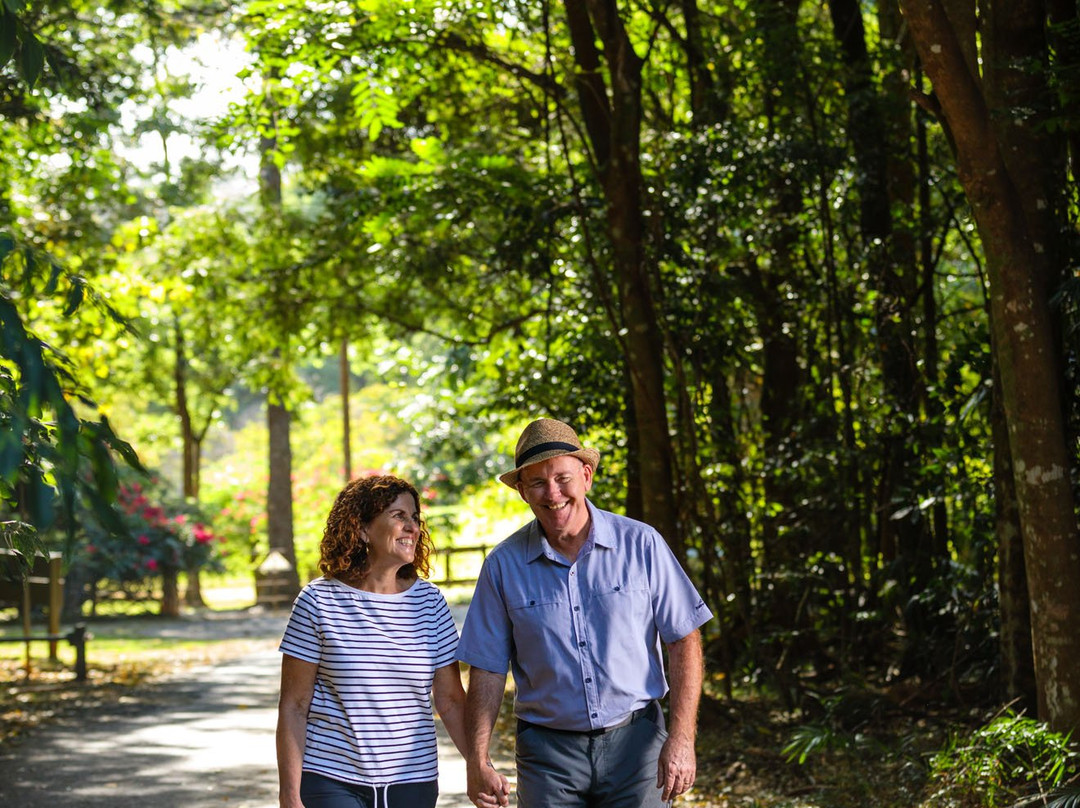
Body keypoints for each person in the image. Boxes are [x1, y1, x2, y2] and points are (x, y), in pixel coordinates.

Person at [458, 418, 714, 808]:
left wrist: (681, 738)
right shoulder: (503, 565)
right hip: (547, 755)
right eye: (538, 483)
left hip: (638, 746)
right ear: (523, 492)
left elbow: (683, 638)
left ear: (586, 476)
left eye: (563, 478)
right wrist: (477, 760)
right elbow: (488, 668)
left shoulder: (641, 545)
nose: (553, 493)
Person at [276, 474, 501, 808]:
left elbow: (451, 700)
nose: (412, 527)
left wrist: (480, 765)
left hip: (413, 782)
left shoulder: (430, 603)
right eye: (399, 516)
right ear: (362, 528)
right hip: (331, 780)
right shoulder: (318, 601)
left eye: (415, 518)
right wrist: (290, 795)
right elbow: (294, 706)